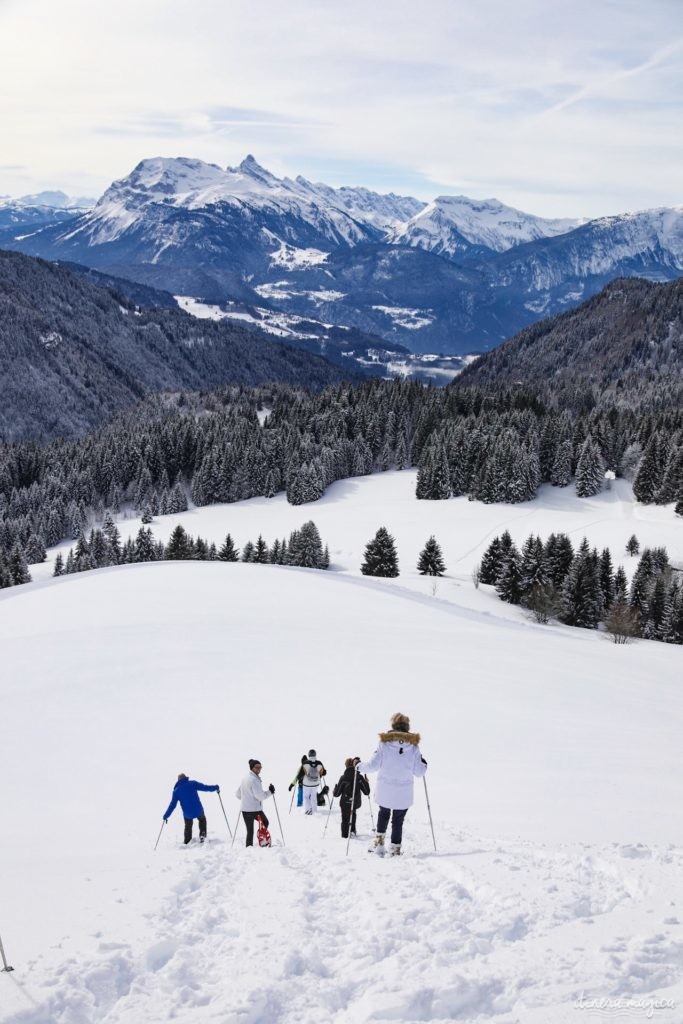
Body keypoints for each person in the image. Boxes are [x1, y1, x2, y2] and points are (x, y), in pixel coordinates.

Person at [357, 713, 427, 856]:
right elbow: (419, 772)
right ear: (407, 727)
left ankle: (379, 844)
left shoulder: (384, 744)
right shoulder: (413, 747)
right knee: (398, 820)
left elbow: (372, 766)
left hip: (385, 790)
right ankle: (395, 848)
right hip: (404, 792)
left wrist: (358, 766)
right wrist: (424, 764)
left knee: (383, 814)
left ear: (393, 726)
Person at [163, 773, 220, 845]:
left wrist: (166, 816)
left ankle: (187, 841)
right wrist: (216, 787)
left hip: (187, 813)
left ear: (178, 780)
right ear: (185, 778)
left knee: (188, 825)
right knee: (202, 820)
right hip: (198, 810)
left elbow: (172, 805)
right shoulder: (193, 783)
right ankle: (202, 836)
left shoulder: (176, 791)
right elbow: (205, 787)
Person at [236, 758, 275, 847]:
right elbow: (260, 796)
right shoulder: (254, 780)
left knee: (250, 831)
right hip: (255, 810)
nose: (259, 769)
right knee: (265, 822)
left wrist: (247, 797)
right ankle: (263, 841)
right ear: (252, 768)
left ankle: (249, 848)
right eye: (257, 767)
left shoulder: (244, 778)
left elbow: (238, 794)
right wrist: (270, 792)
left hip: (245, 809)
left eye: (260, 767)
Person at [333, 757, 370, 839]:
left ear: (346, 766)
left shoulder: (343, 777)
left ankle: (345, 835)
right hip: (355, 802)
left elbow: (336, 794)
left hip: (345, 802)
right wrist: (366, 783)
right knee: (352, 813)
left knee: (345, 818)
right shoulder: (359, 777)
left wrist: (335, 789)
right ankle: (352, 831)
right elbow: (366, 792)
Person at [297, 749, 327, 815]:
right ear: (315, 754)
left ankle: (308, 810)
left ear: (309, 755)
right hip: (316, 783)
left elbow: (300, 775)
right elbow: (324, 772)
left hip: (306, 784)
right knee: (313, 797)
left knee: (306, 797)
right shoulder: (319, 763)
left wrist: (298, 778)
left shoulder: (305, 763)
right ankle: (314, 810)